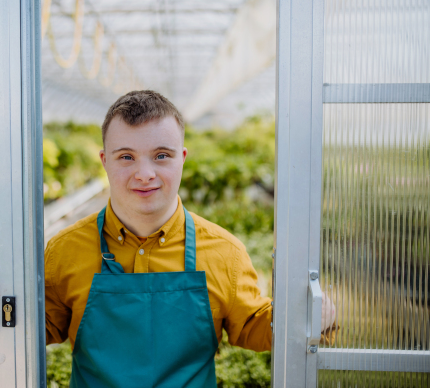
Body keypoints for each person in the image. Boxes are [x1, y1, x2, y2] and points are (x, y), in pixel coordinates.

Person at [45, 90, 334, 387]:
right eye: (126, 157)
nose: (145, 174)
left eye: (161, 155)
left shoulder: (224, 253)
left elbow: (251, 325)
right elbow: (36, 326)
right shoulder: (64, 251)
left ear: (182, 159)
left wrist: (309, 317)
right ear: (105, 161)